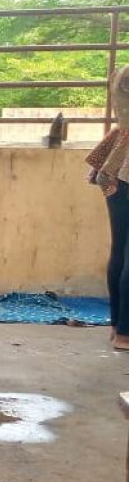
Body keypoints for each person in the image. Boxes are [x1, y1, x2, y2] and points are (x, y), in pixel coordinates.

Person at [87, 65, 129, 350]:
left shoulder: (121, 73)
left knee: (120, 249)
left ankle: (118, 328)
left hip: (117, 163)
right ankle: (125, 331)